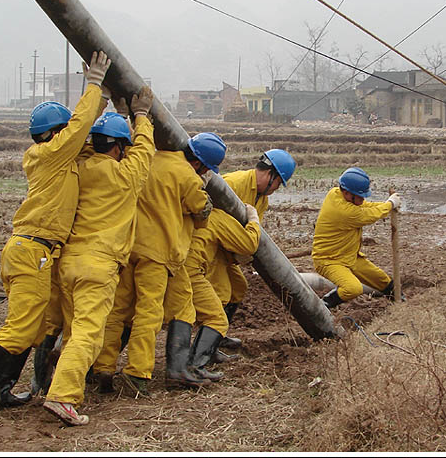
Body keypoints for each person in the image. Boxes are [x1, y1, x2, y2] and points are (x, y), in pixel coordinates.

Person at [0, 51, 112, 421]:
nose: (75, 136)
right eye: (66, 130)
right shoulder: (54, 153)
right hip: (33, 250)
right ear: (56, 133)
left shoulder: (51, 154)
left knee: (33, 325)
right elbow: (80, 125)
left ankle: (1, 392)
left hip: (30, 250)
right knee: (20, 327)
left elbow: (82, 130)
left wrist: (103, 99)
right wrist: (95, 84)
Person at [42, 86, 155, 427]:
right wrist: (142, 117)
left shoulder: (80, 166)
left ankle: (54, 378)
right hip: (98, 265)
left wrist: (116, 115)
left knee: (73, 330)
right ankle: (62, 397)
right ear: (120, 147)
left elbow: (88, 140)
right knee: (88, 334)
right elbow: (145, 150)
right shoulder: (126, 175)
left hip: (69, 264)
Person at [91, 132, 223, 397]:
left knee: (118, 310)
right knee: (149, 313)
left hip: (128, 248)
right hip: (159, 254)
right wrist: (202, 189)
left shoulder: (149, 159)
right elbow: (201, 212)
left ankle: (102, 368)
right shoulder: (187, 176)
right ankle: (137, 374)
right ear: (200, 164)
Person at [164, 204, 262, 386]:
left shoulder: (189, 213)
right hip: (190, 271)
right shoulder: (218, 217)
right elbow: (249, 244)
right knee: (217, 319)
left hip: (172, 264)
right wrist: (254, 220)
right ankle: (194, 368)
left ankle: (104, 369)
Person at [209, 149, 296, 348]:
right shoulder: (232, 184)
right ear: (269, 173)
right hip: (210, 249)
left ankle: (217, 337)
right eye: (277, 183)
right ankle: (206, 349)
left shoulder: (261, 199)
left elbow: (252, 232)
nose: (276, 189)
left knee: (239, 287)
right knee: (221, 292)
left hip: (227, 251)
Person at [312, 167, 402, 309]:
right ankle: (323, 305)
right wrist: (390, 204)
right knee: (353, 288)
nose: (363, 199)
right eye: (359, 196)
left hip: (349, 255)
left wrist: (387, 204)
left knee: (382, 280)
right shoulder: (344, 211)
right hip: (329, 260)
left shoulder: (336, 193)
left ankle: (399, 300)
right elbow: (369, 215)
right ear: (347, 193)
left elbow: (366, 206)